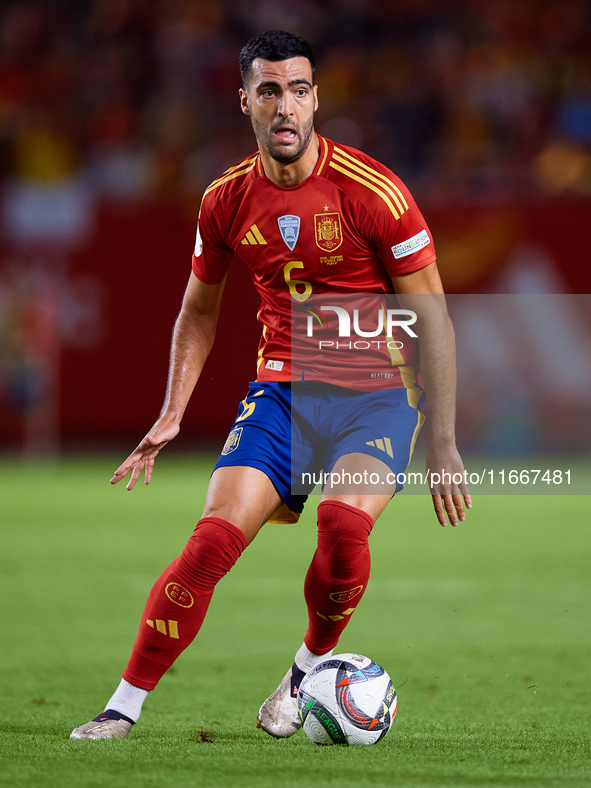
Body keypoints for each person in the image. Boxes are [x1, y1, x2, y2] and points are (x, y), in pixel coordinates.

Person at [70, 30, 470, 741]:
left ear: (315, 98)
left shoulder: (374, 193)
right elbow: (197, 309)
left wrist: (440, 437)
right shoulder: (224, 200)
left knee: (343, 526)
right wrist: (171, 412)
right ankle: (121, 707)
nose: (284, 106)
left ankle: (301, 676)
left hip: (373, 395)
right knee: (209, 545)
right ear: (245, 101)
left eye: (297, 90)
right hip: (282, 394)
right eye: (268, 91)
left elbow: (431, 316)